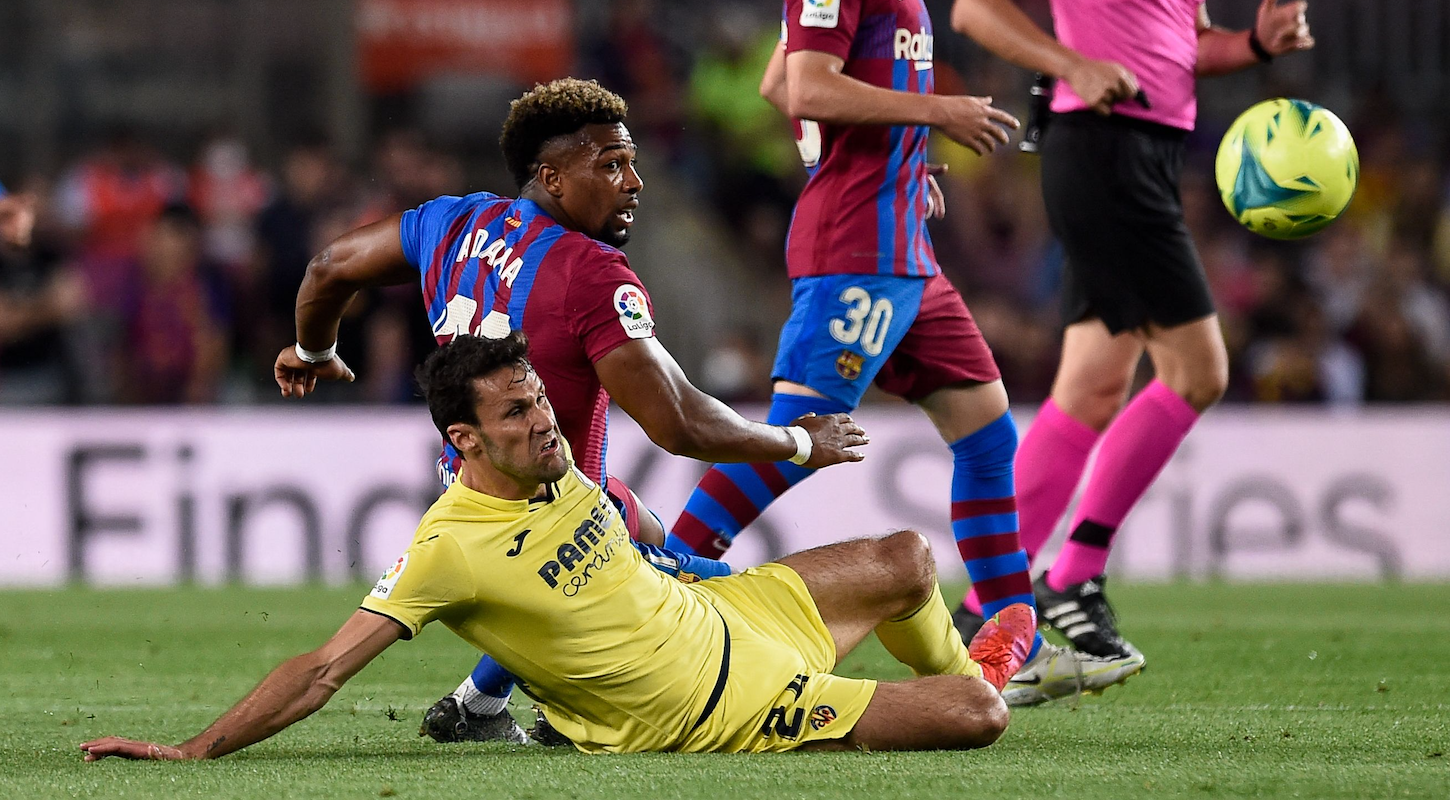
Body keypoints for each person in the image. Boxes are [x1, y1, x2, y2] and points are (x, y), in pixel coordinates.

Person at [81, 333, 1037, 760]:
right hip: (716, 706)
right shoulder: (446, 548)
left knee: (909, 557)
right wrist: (196, 751)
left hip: (727, 615)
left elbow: (618, 514)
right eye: (517, 410)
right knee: (973, 718)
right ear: (464, 441)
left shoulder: (557, 465)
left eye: (539, 396)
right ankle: (978, 679)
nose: (544, 418)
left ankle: (978, 659)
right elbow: (326, 668)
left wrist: (687, 557)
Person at [270, 78, 868, 742]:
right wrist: (800, 442)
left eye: (632, 162)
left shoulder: (454, 221)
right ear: (552, 177)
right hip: (557, 511)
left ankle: (481, 705)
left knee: (648, 528)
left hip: (478, 481)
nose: (634, 181)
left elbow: (328, 266)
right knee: (739, 597)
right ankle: (554, 708)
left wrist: (312, 348)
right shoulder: (588, 273)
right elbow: (677, 423)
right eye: (611, 165)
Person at [661, 0, 1145, 705]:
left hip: (904, 251)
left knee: (985, 431)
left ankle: (1018, 648)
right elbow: (804, 88)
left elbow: (777, 83)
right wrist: (934, 114)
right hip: (856, 251)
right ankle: (659, 592)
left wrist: (901, 164)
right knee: (795, 438)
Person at [948, 0, 1314, 664]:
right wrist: (1073, 66)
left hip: (1140, 153)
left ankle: (985, 608)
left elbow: (1183, 45)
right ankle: (1072, 575)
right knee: (1198, 371)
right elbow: (974, 12)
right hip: (1104, 145)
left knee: (1091, 390)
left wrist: (1255, 45)